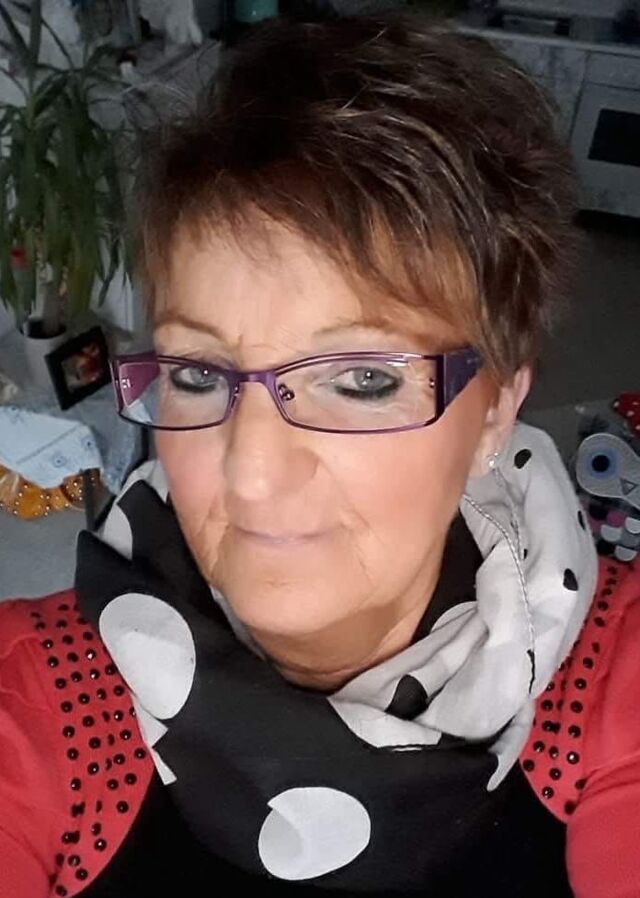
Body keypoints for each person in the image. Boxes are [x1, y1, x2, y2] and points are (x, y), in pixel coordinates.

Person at [1, 14, 639, 898]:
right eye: (197, 373)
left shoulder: (615, 683)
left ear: (495, 407)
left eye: (362, 380)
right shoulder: (40, 696)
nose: (251, 473)